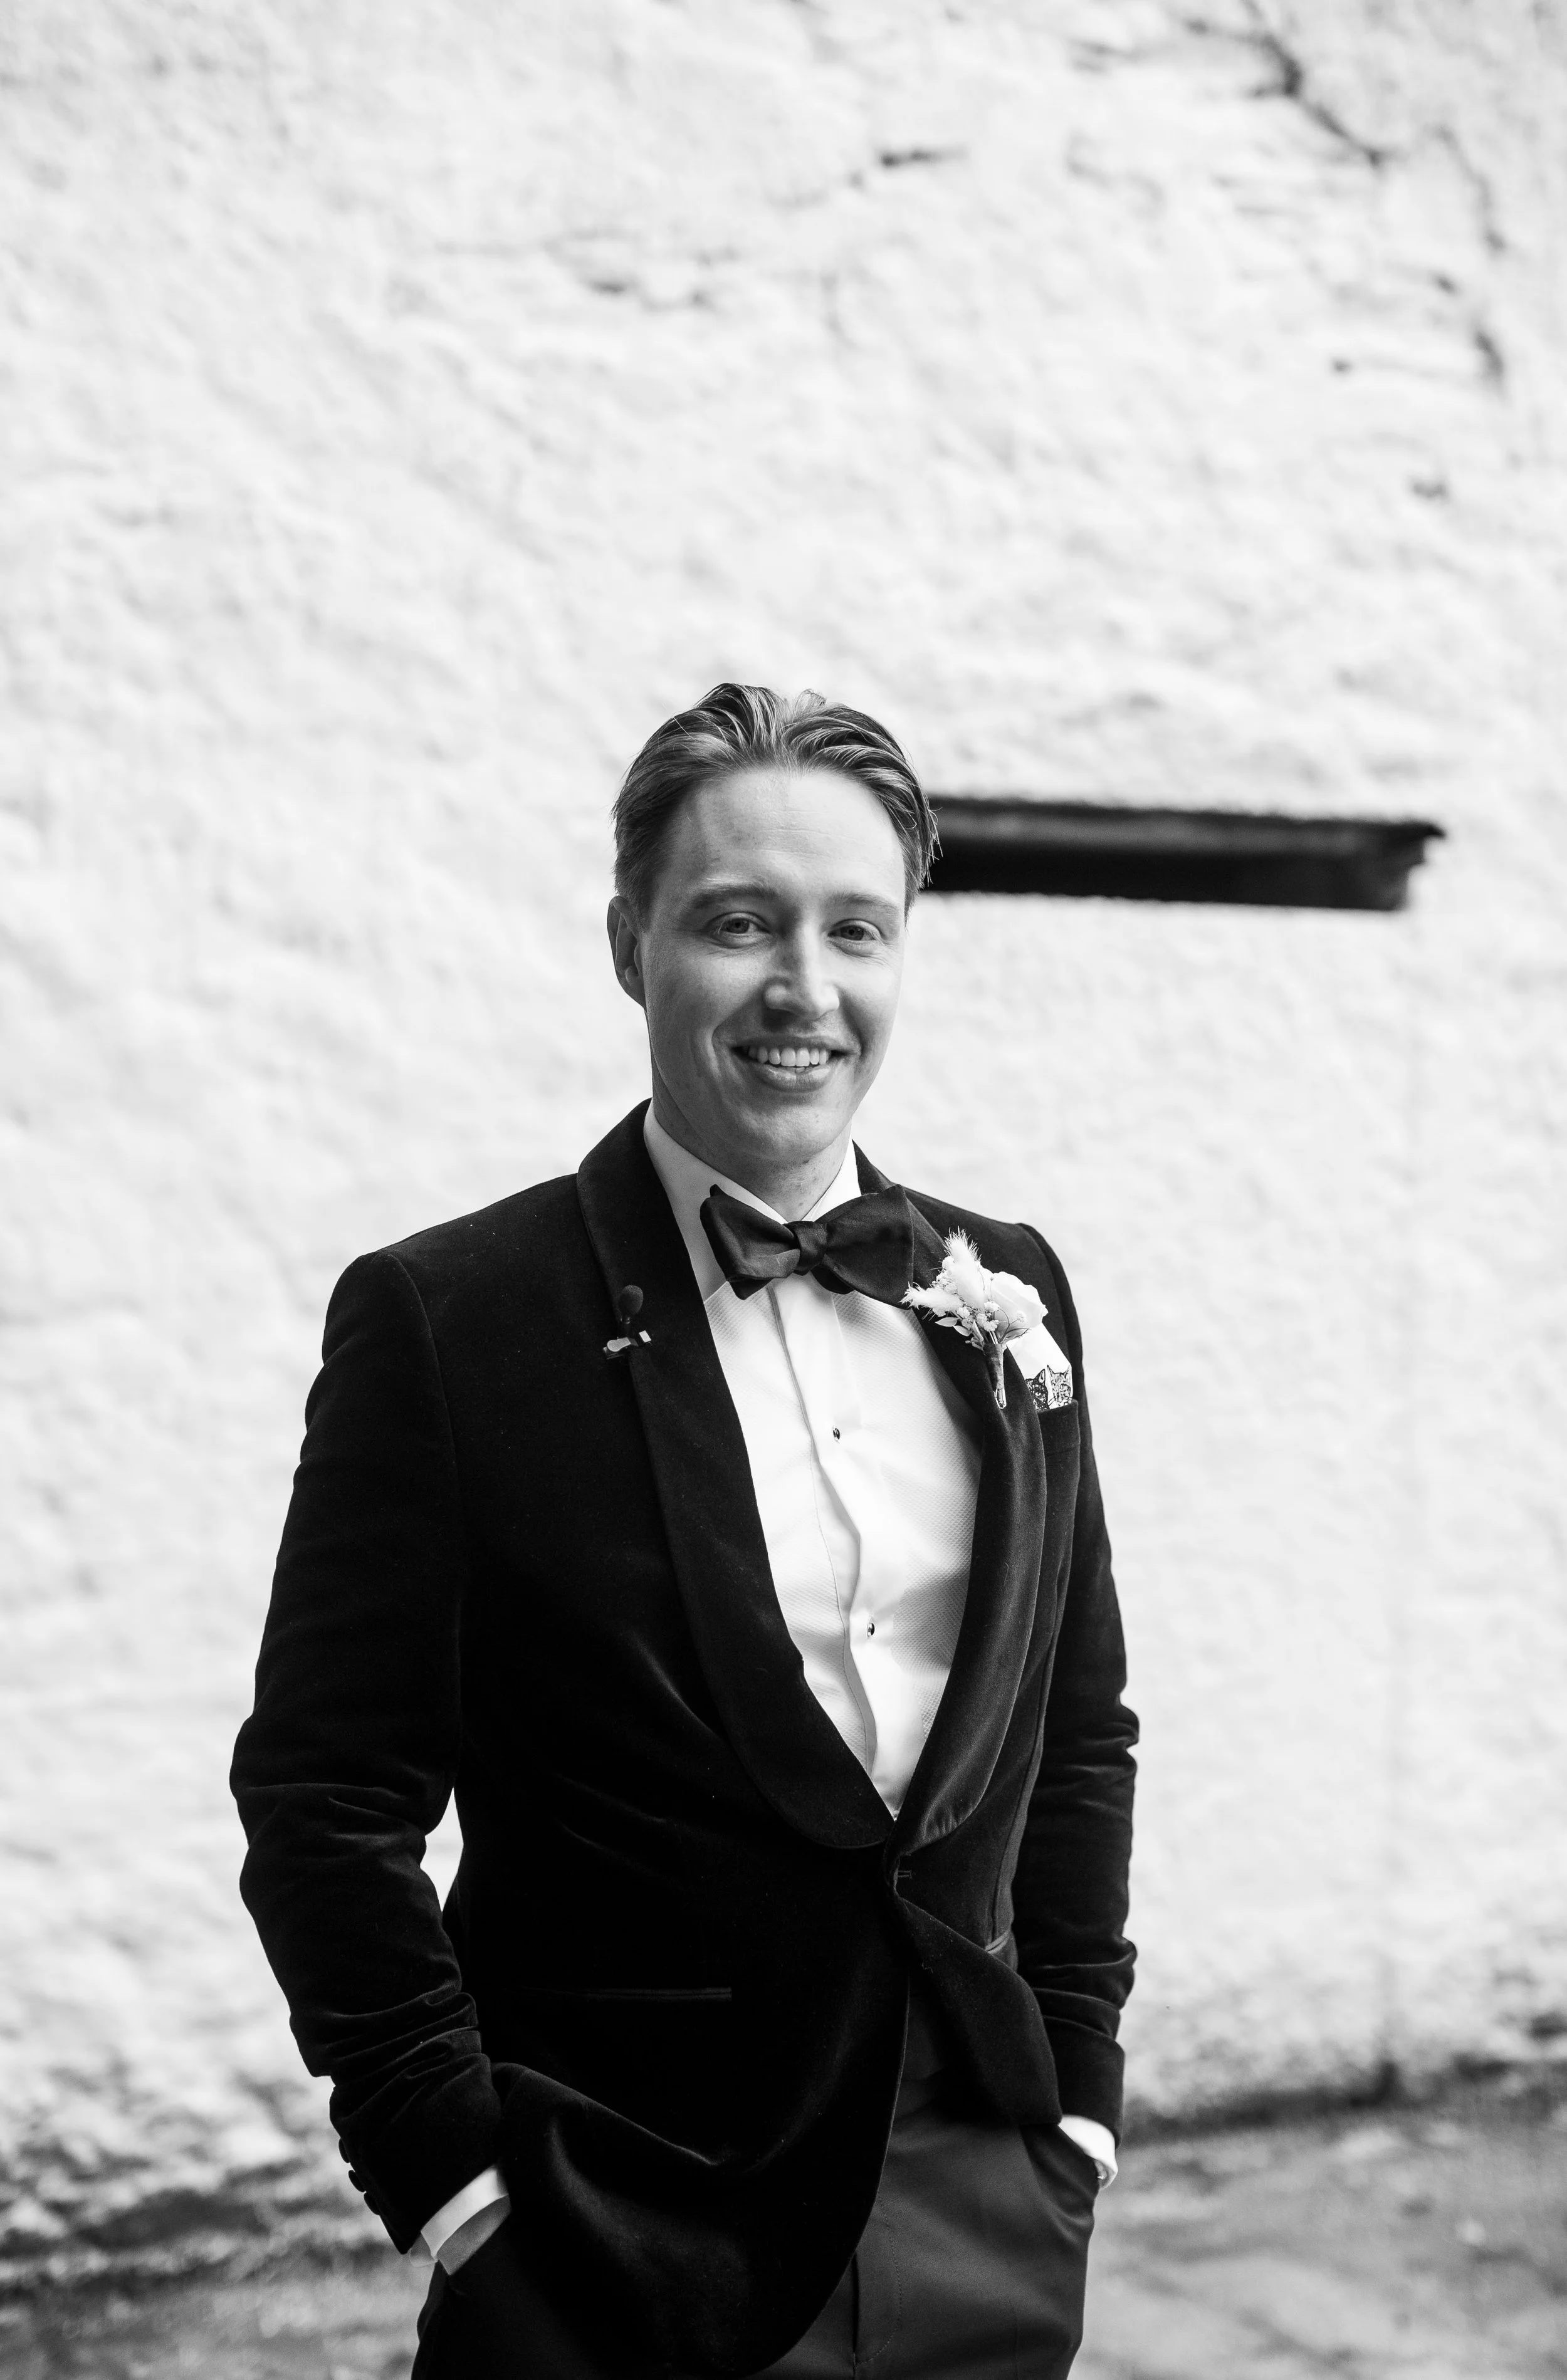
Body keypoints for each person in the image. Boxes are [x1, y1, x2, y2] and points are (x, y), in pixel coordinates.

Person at [232, 683, 1138, 2379]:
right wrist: (449, 2170)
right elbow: (322, 1797)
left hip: (980, 2203)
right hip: (611, 2231)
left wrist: (1074, 2091)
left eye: (852, 927)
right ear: (629, 943)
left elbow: (1073, 1724)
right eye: (736, 922)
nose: (803, 987)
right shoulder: (451, 1319)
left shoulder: (1006, 1286)